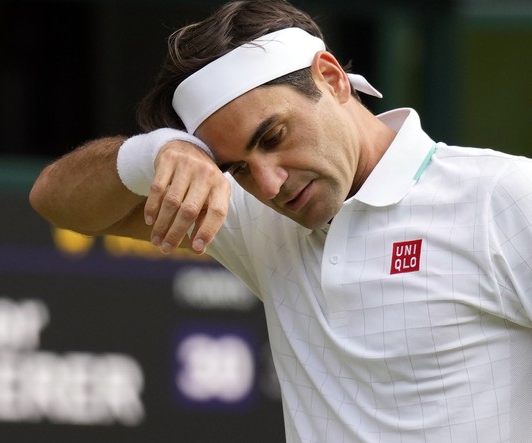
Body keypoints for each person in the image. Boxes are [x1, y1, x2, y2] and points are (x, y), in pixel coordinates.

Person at [29, 0, 532, 441]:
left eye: (272, 137)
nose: (269, 185)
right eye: (237, 169)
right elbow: (55, 199)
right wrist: (159, 152)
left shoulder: (502, 197)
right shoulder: (257, 215)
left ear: (331, 78)